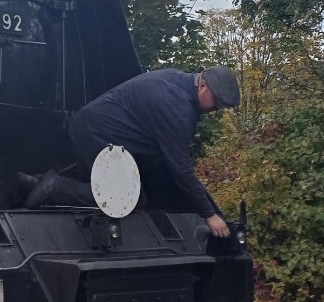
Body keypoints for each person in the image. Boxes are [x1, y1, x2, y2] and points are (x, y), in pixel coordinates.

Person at [23, 66, 241, 237]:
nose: (216, 109)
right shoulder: (178, 108)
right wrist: (210, 216)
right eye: (216, 102)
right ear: (202, 85)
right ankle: (55, 187)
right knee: (127, 200)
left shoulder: (177, 81)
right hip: (98, 136)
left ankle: (33, 182)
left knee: (121, 192)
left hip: (93, 129)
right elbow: (181, 170)